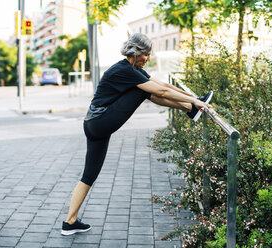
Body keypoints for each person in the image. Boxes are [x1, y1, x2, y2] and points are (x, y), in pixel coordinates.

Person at [61, 33, 213, 235]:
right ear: (135, 53)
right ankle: (190, 110)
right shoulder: (124, 70)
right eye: (147, 54)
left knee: (89, 175)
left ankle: (69, 222)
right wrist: (193, 103)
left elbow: (164, 86)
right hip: (99, 122)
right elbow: (161, 93)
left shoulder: (132, 69)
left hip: (94, 124)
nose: (148, 58)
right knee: (143, 90)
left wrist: (194, 98)